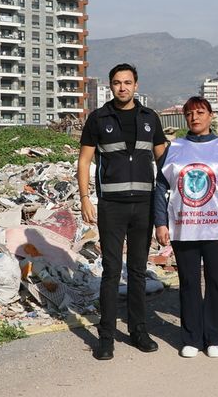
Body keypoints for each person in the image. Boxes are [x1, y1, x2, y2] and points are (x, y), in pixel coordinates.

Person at [77, 63, 167, 360]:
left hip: (144, 205)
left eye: (127, 82)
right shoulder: (98, 118)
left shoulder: (149, 118)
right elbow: (84, 161)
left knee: (139, 271)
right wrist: (85, 199)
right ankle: (105, 338)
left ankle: (139, 331)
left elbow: (165, 162)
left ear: (136, 85)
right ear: (111, 86)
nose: (122, 87)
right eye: (117, 83)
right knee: (112, 272)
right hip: (112, 208)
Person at [153, 96, 218, 358]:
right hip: (184, 229)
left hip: (217, 229)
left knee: (217, 281)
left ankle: (215, 336)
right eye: (190, 113)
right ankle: (192, 336)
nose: (195, 117)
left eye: (200, 112)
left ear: (210, 115)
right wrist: (161, 222)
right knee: (189, 283)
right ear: (185, 117)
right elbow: (160, 187)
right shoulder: (175, 148)